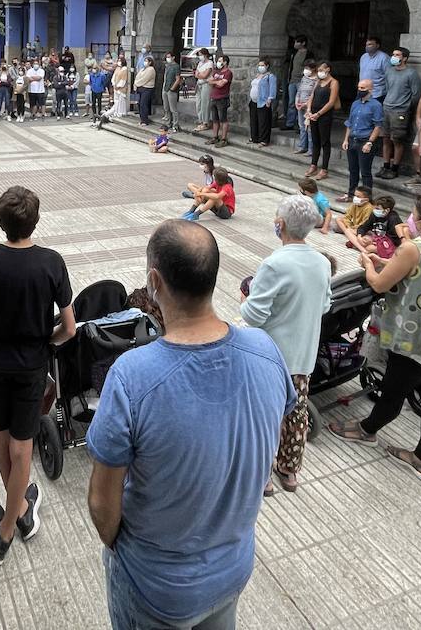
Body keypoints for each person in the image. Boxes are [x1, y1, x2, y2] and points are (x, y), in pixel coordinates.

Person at [86, 219, 296, 629]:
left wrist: (122, 550)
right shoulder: (265, 350)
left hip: (155, 586)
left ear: (154, 280)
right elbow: (276, 426)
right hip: (233, 567)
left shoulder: (133, 374)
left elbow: (102, 501)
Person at [0, 186, 76, 566]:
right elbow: (70, 329)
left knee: (5, 439)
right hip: (30, 365)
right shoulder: (51, 262)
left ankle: (11, 517)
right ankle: (12, 522)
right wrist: (46, 340)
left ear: (1, 222)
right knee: (22, 446)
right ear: (35, 221)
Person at [329, 194, 421, 483]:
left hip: (418, 339)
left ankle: (366, 431)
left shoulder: (413, 247)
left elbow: (380, 283)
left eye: (414, 215)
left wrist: (367, 263)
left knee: (393, 391)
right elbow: (412, 268)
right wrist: (384, 259)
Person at [240, 194, 332, 493]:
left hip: (271, 357)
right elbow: (325, 305)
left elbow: (254, 316)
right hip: (303, 355)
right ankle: (289, 471)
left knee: (265, 416)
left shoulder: (273, 264)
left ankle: (263, 475)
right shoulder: (321, 262)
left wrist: (245, 300)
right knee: (296, 414)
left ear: (280, 224)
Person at [378, 46, 421, 179]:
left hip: (400, 110)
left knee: (397, 140)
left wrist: (406, 106)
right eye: (393, 54)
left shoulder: (411, 73)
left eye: (397, 55)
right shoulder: (389, 71)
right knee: (385, 138)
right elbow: (387, 88)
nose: (394, 57)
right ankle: (385, 166)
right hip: (387, 107)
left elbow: (416, 94)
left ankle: (395, 168)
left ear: (404, 58)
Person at [339, 77, 383, 202]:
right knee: (353, 169)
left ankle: (366, 197)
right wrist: (345, 139)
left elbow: (378, 126)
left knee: (365, 171)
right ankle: (351, 193)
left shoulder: (376, 105)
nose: (360, 90)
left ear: (370, 89)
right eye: (359, 87)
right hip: (353, 139)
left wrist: (370, 142)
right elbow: (350, 123)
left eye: (363, 88)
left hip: (365, 140)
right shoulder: (355, 103)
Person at [305, 61, 340, 179]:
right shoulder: (318, 81)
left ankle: (324, 169)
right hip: (313, 113)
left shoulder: (333, 82)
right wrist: (309, 110)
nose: (319, 72)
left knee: (325, 141)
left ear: (328, 69)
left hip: (324, 115)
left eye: (321, 70)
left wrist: (319, 114)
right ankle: (313, 165)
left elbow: (331, 102)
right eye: (319, 70)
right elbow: (311, 96)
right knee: (315, 141)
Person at [248, 57, 277, 147]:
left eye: (262, 65)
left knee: (263, 121)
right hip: (254, 101)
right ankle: (254, 137)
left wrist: (270, 99)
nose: (260, 67)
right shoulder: (257, 76)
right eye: (259, 65)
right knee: (254, 120)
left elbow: (272, 88)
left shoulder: (270, 76)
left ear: (267, 66)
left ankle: (263, 139)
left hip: (263, 101)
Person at [207, 55, 233, 147]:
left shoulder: (228, 73)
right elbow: (210, 81)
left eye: (220, 61)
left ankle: (224, 139)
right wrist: (216, 82)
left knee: (223, 119)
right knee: (215, 119)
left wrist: (216, 82)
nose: (218, 62)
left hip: (222, 98)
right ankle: (215, 137)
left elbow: (221, 84)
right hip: (214, 97)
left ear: (225, 62)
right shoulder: (216, 71)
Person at [359, 35, 389, 100]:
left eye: (370, 44)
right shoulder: (363, 57)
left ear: (377, 46)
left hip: (377, 94)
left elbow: (388, 76)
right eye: (366, 44)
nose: (367, 46)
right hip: (362, 92)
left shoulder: (384, 58)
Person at [192, 48, 214, 133]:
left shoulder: (210, 63)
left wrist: (199, 75)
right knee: (199, 103)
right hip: (199, 84)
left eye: (201, 55)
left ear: (206, 54)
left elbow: (205, 75)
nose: (200, 57)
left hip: (206, 84)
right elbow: (196, 74)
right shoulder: (200, 63)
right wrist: (199, 75)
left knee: (205, 103)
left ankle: (206, 122)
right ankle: (200, 120)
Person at [161, 51, 182, 132]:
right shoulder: (168, 66)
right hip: (165, 88)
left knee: (173, 108)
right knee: (166, 107)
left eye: (169, 57)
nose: (168, 58)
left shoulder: (176, 66)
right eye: (167, 57)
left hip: (171, 89)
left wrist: (172, 88)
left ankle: (175, 125)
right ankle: (168, 123)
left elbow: (178, 79)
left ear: (173, 57)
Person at [135, 55, 156, 126]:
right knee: (140, 104)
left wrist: (137, 83)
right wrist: (136, 83)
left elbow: (145, 79)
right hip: (141, 88)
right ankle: (142, 119)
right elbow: (137, 77)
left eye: (146, 61)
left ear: (150, 62)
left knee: (144, 104)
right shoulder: (142, 69)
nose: (145, 62)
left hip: (147, 88)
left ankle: (145, 120)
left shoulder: (151, 69)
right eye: (145, 61)